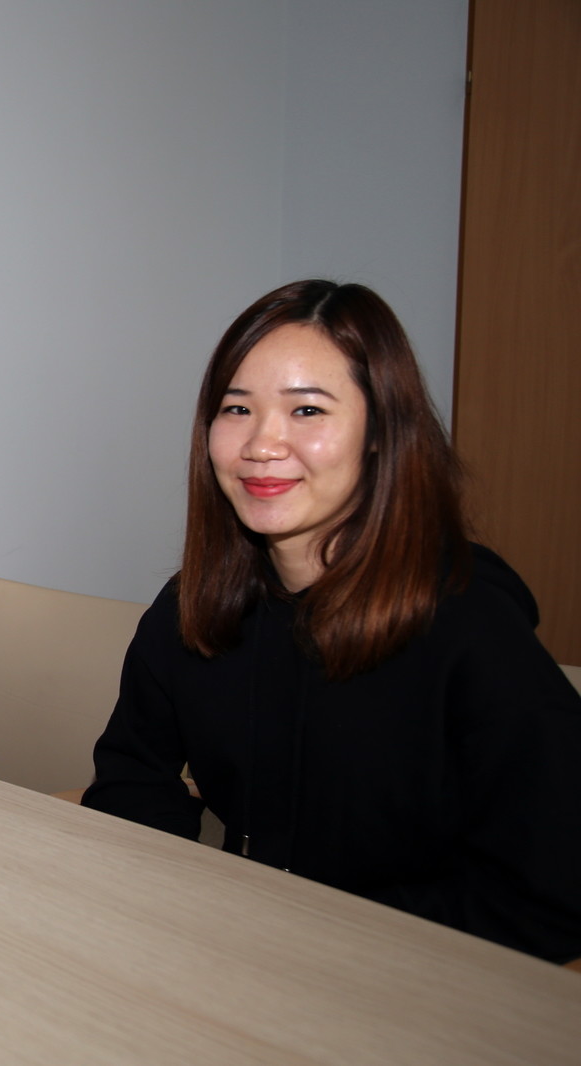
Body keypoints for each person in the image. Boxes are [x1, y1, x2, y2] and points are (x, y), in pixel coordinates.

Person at [81, 279, 581, 963]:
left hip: (417, 974)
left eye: (308, 410)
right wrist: (187, 908)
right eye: (237, 409)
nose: (263, 443)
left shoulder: (467, 623)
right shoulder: (196, 603)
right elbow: (132, 783)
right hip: (241, 955)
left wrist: (322, 939)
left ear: (380, 434)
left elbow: (552, 890)